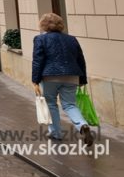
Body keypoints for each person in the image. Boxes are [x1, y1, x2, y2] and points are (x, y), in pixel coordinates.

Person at [32, 13, 94, 145]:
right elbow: (80, 60)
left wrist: (35, 80)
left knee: (51, 104)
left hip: (50, 77)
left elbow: (38, 60)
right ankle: (82, 125)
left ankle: (56, 133)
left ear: (43, 25)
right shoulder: (72, 39)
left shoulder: (40, 39)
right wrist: (82, 78)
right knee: (70, 104)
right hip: (72, 76)